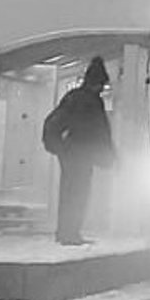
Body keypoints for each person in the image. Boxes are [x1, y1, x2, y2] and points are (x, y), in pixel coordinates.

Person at [42, 56, 117, 246]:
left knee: (70, 192)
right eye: (101, 84)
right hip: (82, 155)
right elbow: (101, 132)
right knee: (78, 194)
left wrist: (58, 146)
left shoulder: (73, 97)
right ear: (97, 82)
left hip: (71, 153)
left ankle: (66, 232)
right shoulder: (91, 102)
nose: (101, 88)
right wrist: (109, 156)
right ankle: (70, 234)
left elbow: (53, 122)